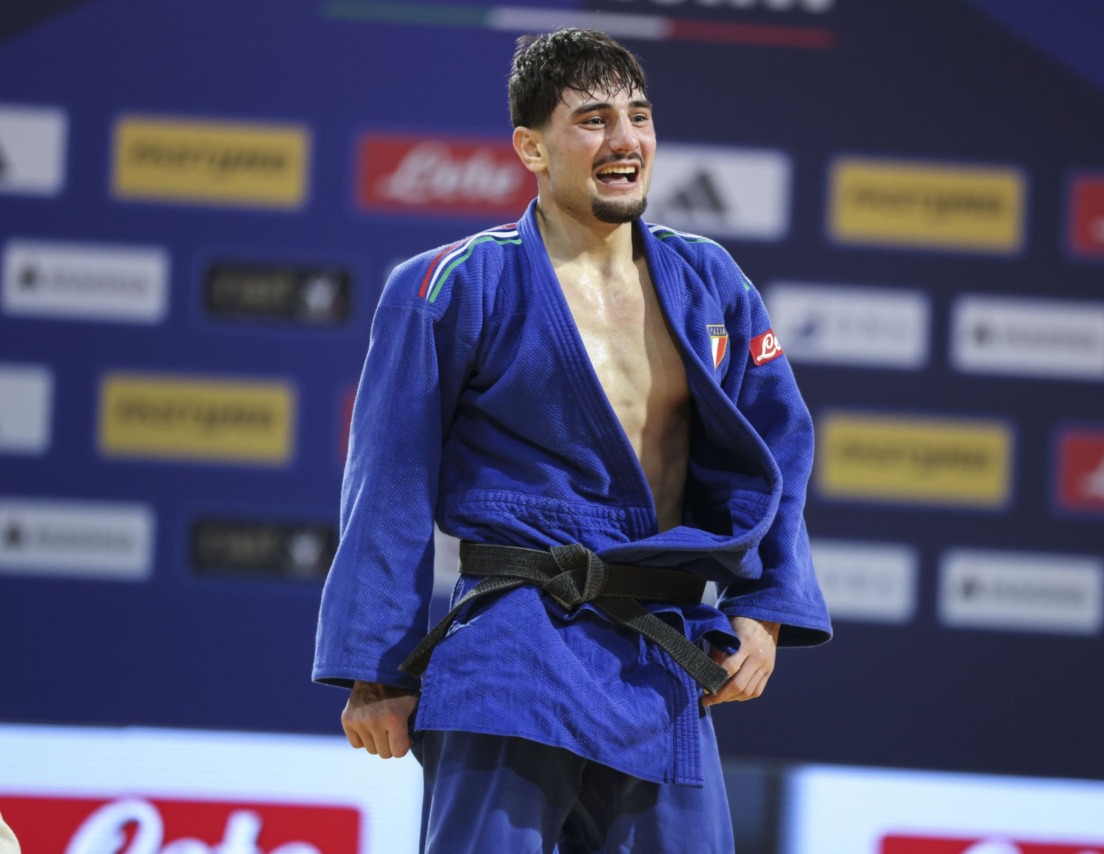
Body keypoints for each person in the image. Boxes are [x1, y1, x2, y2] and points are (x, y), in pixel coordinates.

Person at [313, 27, 831, 853]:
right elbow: (389, 484)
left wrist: (764, 609)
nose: (625, 140)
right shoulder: (451, 284)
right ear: (531, 147)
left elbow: (778, 448)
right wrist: (374, 669)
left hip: (655, 648)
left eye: (640, 115)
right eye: (593, 119)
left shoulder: (711, 283)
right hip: (511, 645)